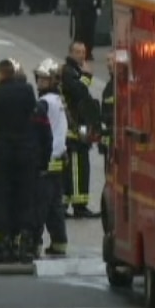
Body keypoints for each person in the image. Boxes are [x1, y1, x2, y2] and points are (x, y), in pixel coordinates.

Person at [0, 59, 40, 262]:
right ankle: (24, 239)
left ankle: (3, 240)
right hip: (26, 153)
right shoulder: (27, 91)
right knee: (25, 196)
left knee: (2, 197)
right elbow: (32, 115)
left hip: (3, 153)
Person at [33, 58, 69, 257]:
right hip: (58, 160)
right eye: (39, 78)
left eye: (43, 79)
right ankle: (59, 242)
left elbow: (39, 131)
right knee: (55, 205)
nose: (39, 82)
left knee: (40, 204)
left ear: (52, 81)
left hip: (48, 160)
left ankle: (35, 243)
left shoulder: (44, 103)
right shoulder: (58, 101)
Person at [60, 42, 100, 219]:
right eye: (77, 52)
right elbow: (79, 92)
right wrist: (87, 76)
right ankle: (78, 206)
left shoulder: (74, 70)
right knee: (76, 168)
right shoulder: (68, 71)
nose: (81, 55)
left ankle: (72, 204)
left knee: (80, 166)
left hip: (79, 127)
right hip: (73, 130)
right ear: (70, 52)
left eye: (84, 52)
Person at [99, 54, 115, 175]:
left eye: (111, 60)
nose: (108, 64)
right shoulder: (109, 87)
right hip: (109, 138)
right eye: (107, 60)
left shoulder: (121, 86)